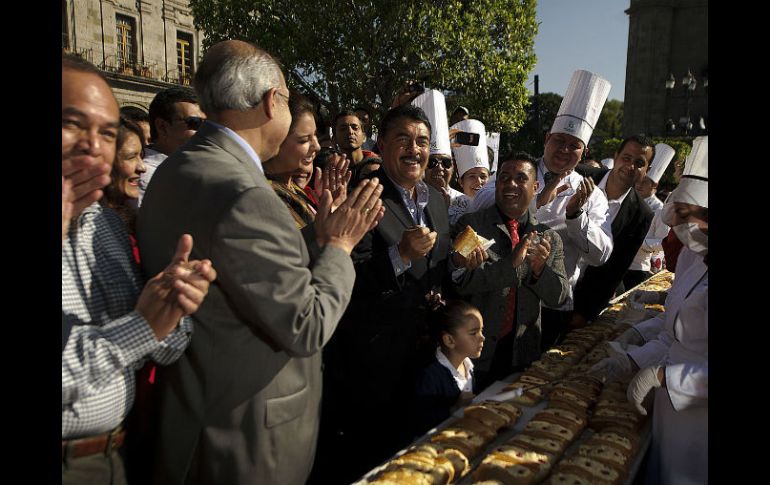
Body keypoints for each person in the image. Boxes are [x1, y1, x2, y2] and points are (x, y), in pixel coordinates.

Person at [137, 40, 385, 485]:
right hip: (246, 441)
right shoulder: (248, 193)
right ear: (273, 102)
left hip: (194, 418)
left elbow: (242, 263)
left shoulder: (177, 168)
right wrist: (340, 247)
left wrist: (315, 235)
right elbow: (306, 324)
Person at [62, 53, 216, 485]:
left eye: (107, 132)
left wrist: (171, 311)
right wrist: (143, 327)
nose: (94, 145)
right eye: (73, 124)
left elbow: (157, 346)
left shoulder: (105, 223)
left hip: (119, 453)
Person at [316, 103, 452, 482]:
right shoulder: (364, 197)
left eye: (422, 141)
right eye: (403, 139)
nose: (415, 149)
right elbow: (345, 277)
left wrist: (457, 265)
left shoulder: (438, 200)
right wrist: (400, 255)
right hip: (376, 364)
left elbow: (437, 270)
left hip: (427, 357)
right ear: (383, 144)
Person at [590, 136, 708, 485]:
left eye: (694, 217)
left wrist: (663, 377)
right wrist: (634, 358)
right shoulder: (693, 255)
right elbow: (677, 335)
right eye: (681, 215)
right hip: (669, 414)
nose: (685, 227)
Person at [469, 69, 613, 351]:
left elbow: (601, 255)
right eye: (559, 140)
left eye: (574, 145)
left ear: (583, 151)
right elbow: (481, 201)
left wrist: (575, 216)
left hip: (552, 302)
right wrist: (536, 200)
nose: (564, 149)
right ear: (547, 138)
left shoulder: (591, 195)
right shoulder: (519, 172)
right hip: (499, 293)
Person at [452, 153, 569, 388]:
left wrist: (539, 271)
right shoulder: (472, 226)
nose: (511, 184)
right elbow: (461, 283)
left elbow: (559, 297)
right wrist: (512, 265)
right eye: (504, 177)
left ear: (535, 187)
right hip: (476, 353)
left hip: (524, 355)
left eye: (520, 178)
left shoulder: (549, 237)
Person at [571, 134, 655, 326]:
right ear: (616, 157)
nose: (630, 166)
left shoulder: (642, 214)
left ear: (647, 170)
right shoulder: (580, 176)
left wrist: (584, 313)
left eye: (639, 163)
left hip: (582, 298)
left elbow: (616, 268)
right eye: (626, 158)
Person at [412, 299, 485, 434]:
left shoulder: (468, 366)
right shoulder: (430, 376)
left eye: (481, 331)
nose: (482, 338)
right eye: (474, 333)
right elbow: (421, 420)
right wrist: (454, 408)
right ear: (450, 340)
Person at [138, 86, 205, 205]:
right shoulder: (147, 176)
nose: (204, 131)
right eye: (195, 123)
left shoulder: (186, 166)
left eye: (207, 124)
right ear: (162, 127)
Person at [623, 143, 675, 289]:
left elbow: (663, 241)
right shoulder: (627, 200)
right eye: (638, 181)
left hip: (639, 268)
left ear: (655, 185)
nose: (639, 184)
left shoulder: (660, 209)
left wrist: (641, 243)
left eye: (645, 182)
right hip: (617, 262)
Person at [101, 117, 147, 261]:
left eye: (141, 156)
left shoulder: (125, 219)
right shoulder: (91, 228)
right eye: (131, 157)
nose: (142, 167)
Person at [448, 118, 491, 224]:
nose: (478, 181)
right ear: (461, 182)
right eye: (472, 176)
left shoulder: (496, 205)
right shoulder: (450, 206)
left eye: (483, 176)